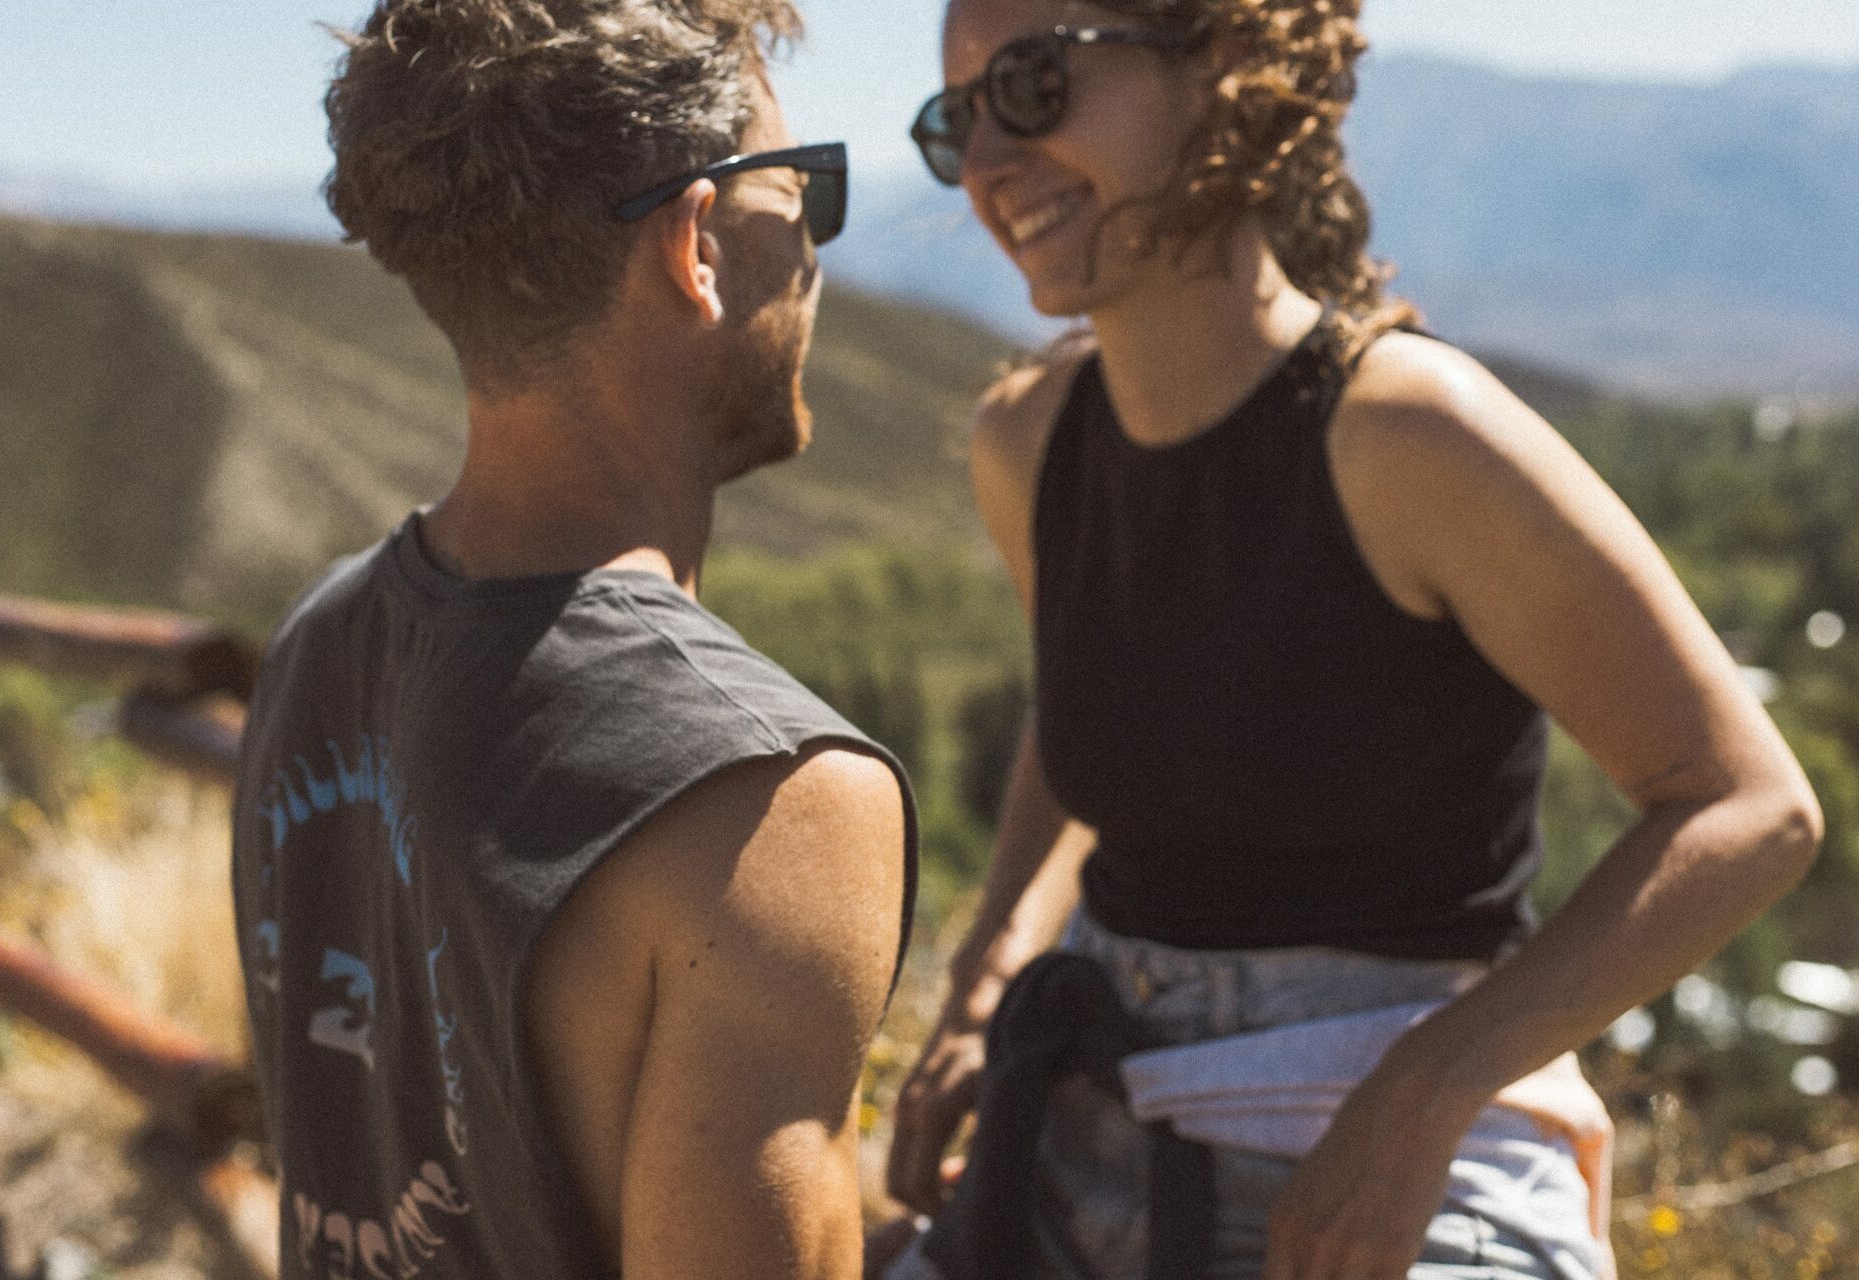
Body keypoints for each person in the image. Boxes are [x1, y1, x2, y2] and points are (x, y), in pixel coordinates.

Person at [880, 1, 1824, 1278]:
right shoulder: (1027, 440)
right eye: (956, 122)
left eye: (1032, 86)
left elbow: (1751, 807)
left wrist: (1423, 1090)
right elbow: (1095, 701)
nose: (988, 162)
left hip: (1402, 1162)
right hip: (1093, 1125)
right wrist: (989, 972)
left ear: (1223, 64)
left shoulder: (1406, 432)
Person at [229, 3, 916, 1277]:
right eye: (800, 189)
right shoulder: (768, 800)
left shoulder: (320, 639)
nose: (814, 247)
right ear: (695, 244)